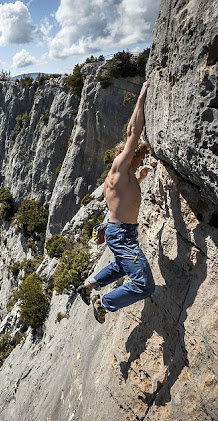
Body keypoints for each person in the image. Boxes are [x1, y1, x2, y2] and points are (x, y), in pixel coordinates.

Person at [76, 81, 155, 323]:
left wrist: (140, 178)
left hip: (121, 232)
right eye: (140, 156)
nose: (141, 161)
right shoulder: (120, 167)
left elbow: (125, 199)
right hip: (120, 233)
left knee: (123, 265)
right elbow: (133, 132)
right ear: (131, 156)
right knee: (144, 284)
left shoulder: (127, 177)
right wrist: (141, 98)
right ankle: (103, 302)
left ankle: (89, 286)